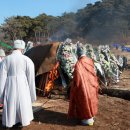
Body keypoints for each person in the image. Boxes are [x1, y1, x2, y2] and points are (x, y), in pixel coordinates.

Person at [0, 40, 36, 128]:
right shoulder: (27, 60)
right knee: (23, 103)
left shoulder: (5, 60)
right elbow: (31, 79)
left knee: (10, 104)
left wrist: (1, 96)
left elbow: (1, 79)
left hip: (9, 84)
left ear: (14, 47)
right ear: (22, 49)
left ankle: (11, 122)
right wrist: (32, 95)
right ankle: (22, 121)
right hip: (23, 85)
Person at [68, 44, 99, 126]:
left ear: (78, 53)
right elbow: (94, 73)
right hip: (92, 85)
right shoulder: (89, 60)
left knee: (84, 102)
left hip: (83, 86)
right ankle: (91, 117)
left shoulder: (79, 63)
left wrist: (74, 85)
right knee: (91, 101)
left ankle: (86, 119)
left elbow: (77, 78)